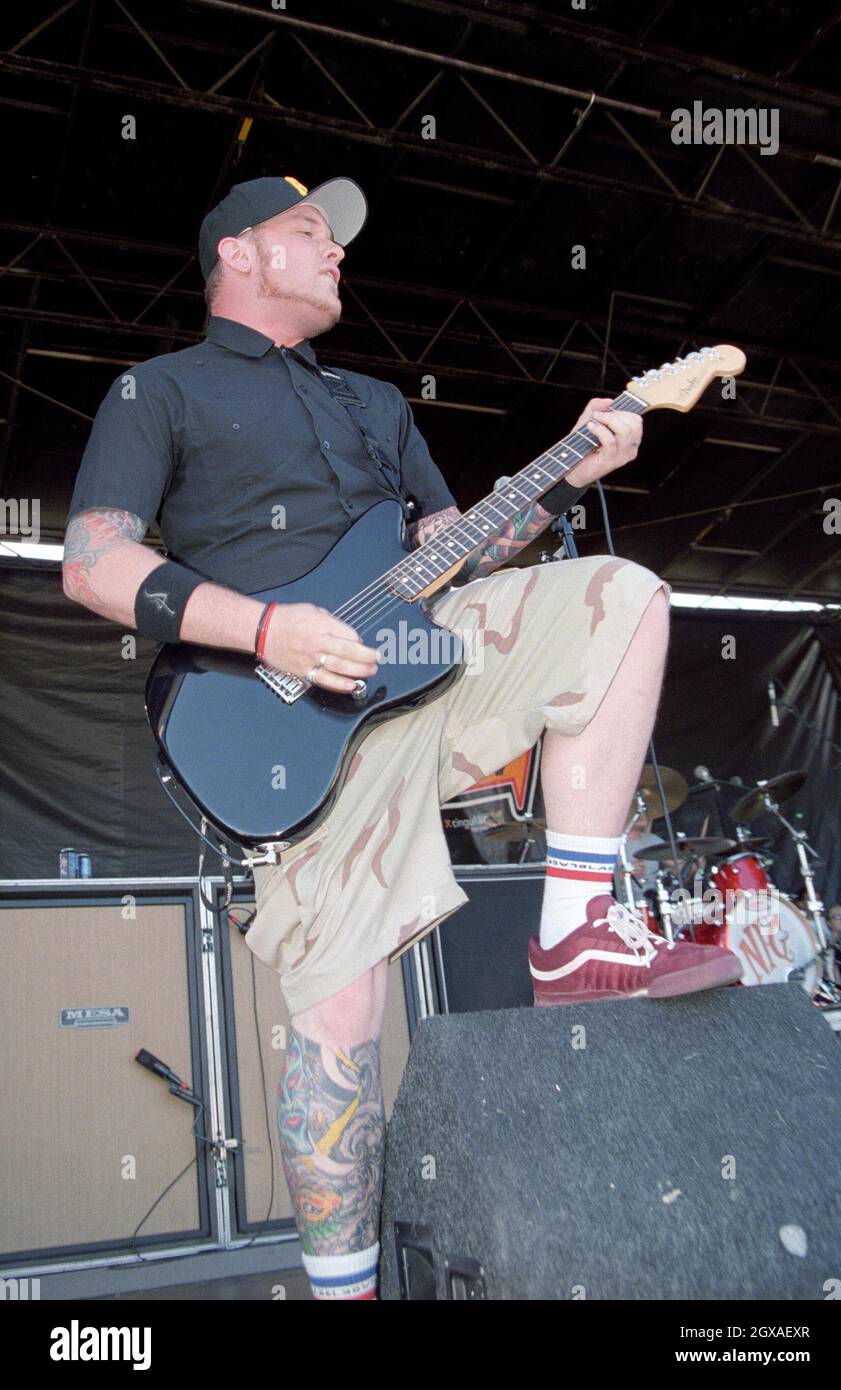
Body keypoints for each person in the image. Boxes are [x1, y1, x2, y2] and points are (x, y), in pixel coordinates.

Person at [62, 173, 741, 1301]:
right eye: (309, 234)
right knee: (339, 1021)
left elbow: (455, 550)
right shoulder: (158, 393)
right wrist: (268, 629)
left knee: (620, 596)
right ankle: (345, 1293)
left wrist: (568, 471)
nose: (335, 254)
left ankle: (574, 934)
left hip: (430, 666)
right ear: (236, 254)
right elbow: (92, 562)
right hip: (291, 727)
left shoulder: (377, 402)